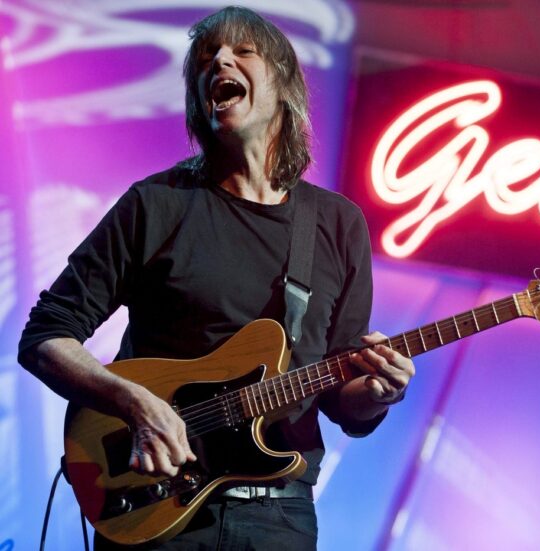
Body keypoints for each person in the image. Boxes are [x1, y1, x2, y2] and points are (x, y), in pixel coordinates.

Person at [18, 6, 414, 550]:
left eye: (240, 51)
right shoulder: (156, 205)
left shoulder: (337, 223)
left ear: (283, 83)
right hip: (155, 506)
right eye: (206, 58)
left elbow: (342, 397)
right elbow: (45, 337)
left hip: (278, 518)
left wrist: (375, 392)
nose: (218, 60)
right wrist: (136, 405)